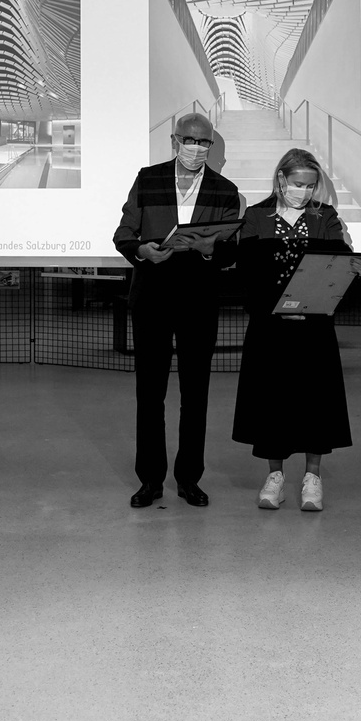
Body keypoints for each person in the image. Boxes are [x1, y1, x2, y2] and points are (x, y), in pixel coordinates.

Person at [113, 113, 241, 509]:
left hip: (198, 301)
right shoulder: (148, 179)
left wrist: (209, 250)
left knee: (195, 394)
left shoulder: (225, 190)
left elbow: (231, 250)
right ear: (174, 140)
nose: (196, 148)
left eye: (204, 143)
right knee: (149, 394)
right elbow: (123, 233)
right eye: (190, 140)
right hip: (151, 297)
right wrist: (141, 251)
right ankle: (150, 480)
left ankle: (189, 479)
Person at [231, 149, 361, 511]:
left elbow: (340, 261)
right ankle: (275, 476)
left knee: (315, 399)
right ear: (281, 179)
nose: (305, 191)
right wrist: (277, 308)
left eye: (310, 185)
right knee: (271, 399)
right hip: (269, 327)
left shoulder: (326, 216)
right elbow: (247, 272)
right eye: (298, 183)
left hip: (314, 327)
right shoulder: (256, 216)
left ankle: (313, 477)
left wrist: (359, 266)